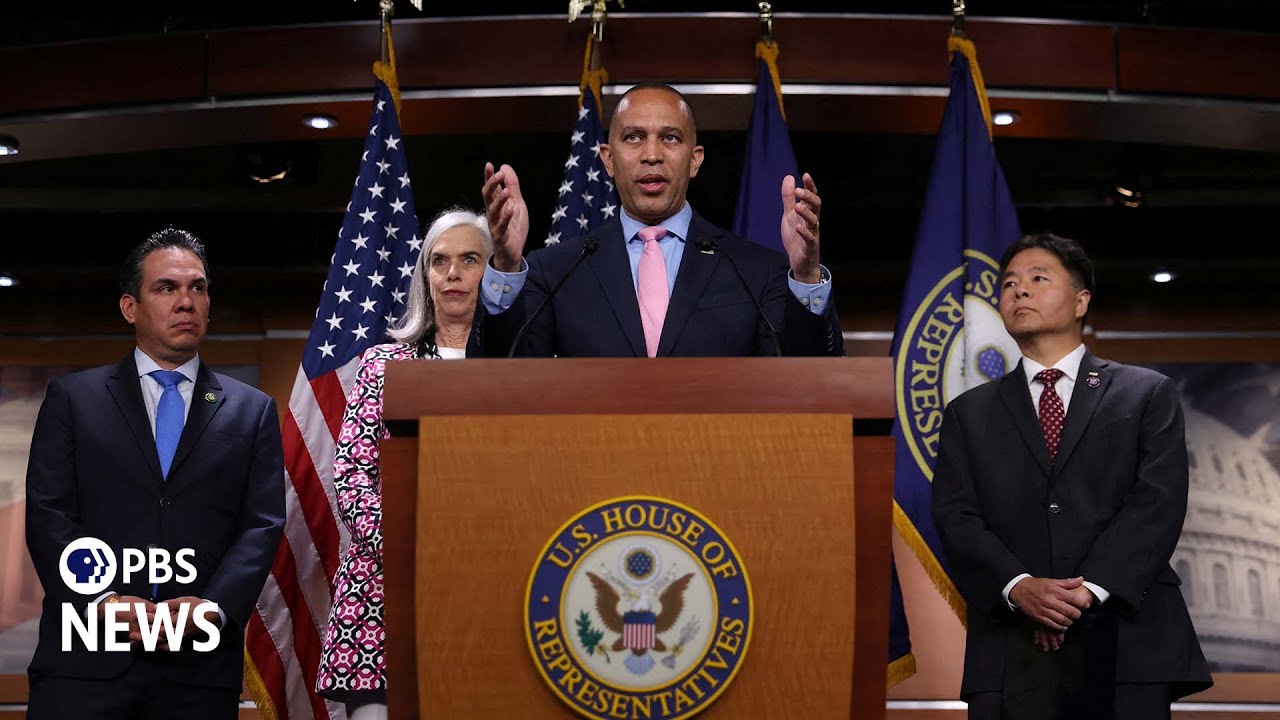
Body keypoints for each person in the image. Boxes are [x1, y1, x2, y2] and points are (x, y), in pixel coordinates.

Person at [931, 233, 1212, 720]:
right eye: (1009, 283)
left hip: (1128, 637)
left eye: (1038, 278)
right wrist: (1020, 585)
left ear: (1081, 301)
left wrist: (1084, 591)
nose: (1020, 290)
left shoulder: (1146, 393)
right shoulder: (967, 413)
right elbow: (956, 516)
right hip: (1011, 642)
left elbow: (1157, 501)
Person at [24, 228, 285, 719]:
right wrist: (101, 600)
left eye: (197, 288)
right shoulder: (73, 400)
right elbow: (48, 516)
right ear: (130, 307)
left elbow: (261, 525)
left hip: (197, 674)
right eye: (166, 288)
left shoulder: (251, 411)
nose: (186, 301)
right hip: (85, 668)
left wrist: (211, 608)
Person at [478, 82, 842, 358]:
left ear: (695, 159)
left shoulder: (755, 272)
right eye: (634, 137)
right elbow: (502, 380)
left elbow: (806, 383)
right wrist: (507, 266)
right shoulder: (555, 271)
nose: (651, 154)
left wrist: (806, 275)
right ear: (607, 159)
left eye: (670, 138)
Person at [315, 208, 493, 720]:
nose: (453, 273)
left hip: (490, 584)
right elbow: (352, 474)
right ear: (425, 276)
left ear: (494, 272)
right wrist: (407, 545)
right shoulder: (384, 364)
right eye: (439, 261)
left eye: (469, 259)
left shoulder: (519, 365)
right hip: (384, 587)